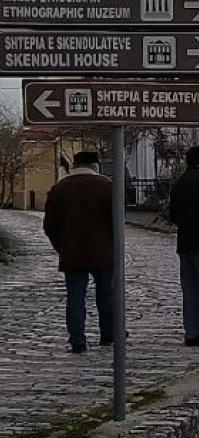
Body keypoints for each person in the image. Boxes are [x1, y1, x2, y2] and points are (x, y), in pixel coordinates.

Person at [43, 150, 114, 354]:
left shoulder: (59, 189)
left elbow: (49, 225)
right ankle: (108, 332)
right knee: (106, 293)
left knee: (75, 296)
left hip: (72, 252)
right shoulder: (107, 187)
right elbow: (117, 222)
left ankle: (77, 339)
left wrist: (61, 246)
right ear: (95, 165)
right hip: (103, 251)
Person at [169, 145, 199, 347]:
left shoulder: (180, 182)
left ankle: (192, 333)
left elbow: (172, 214)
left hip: (184, 242)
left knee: (190, 290)